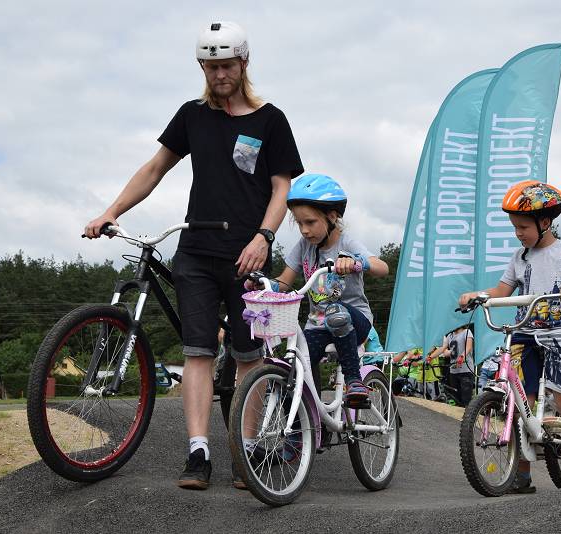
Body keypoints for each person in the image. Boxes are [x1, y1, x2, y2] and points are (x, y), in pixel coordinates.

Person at [84, 21, 303, 491]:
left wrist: (264, 237)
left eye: (227, 65)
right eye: (210, 66)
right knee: (198, 352)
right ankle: (198, 453)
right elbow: (155, 168)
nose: (219, 74)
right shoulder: (192, 115)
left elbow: (281, 187)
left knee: (248, 357)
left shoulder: (270, 120)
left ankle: (246, 453)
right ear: (202, 67)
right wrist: (111, 211)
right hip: (196, 252)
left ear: (244, 63)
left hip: (247, 256)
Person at [458, 180, 561, 492]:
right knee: (520, 402)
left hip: (560, 334)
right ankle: (520, 475)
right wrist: (478, 295)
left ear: (545, 222)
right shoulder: (519, 258)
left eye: (523, 227)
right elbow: (502, 291)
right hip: (525, 332)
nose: (518, 233)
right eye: (515, 227)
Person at [253, 174, 389, 406]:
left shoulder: (346, 243)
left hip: (355, 322)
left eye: (310, 222)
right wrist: (264, 283)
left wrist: (357, 263)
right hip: (319, 324)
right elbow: (284, 282)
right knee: (295, 367)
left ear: (332, 216)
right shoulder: (304, 246)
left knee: (336, 311)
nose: (304, 230)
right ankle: (303, 423)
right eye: (299, 223)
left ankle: (354, 380)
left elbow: (382, 267)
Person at [428, 325, 474, 406]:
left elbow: (468, 347)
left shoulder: (467, 332)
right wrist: (430, 357)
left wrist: (462, 356)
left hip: (465, 370)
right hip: (453, 371)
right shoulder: (450, 336)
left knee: (466, 399)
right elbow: (442, 348)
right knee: (455, 399)